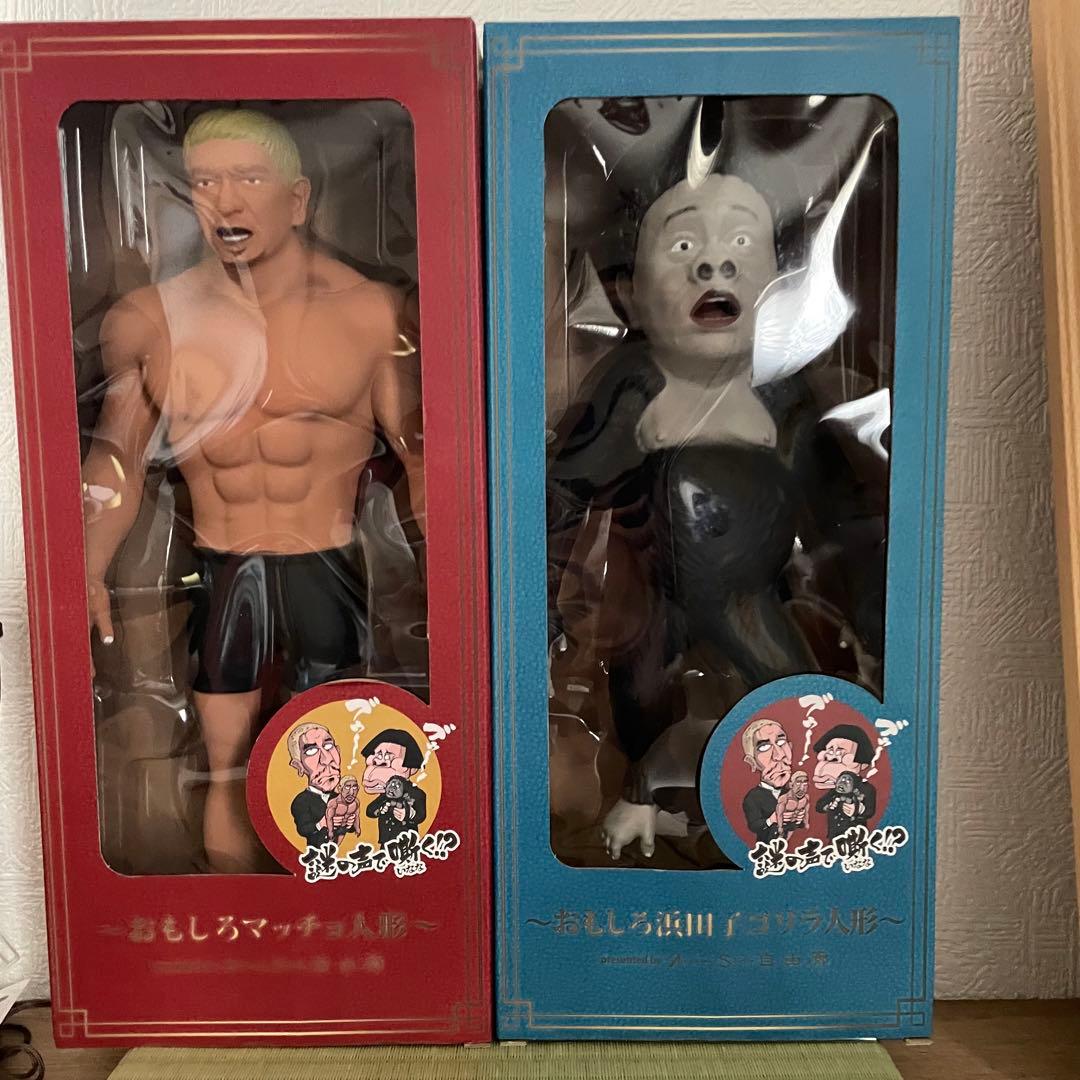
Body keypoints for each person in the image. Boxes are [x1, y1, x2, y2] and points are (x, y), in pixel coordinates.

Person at [81, 108, 425, 872]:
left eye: (248, 178)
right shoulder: (150, 321)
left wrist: (463, 577)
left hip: (329, 564)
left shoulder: (370, 312)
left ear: (297, 199)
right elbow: (116, 457)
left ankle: (329, 908)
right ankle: (234, 917)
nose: (226, 201)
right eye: (205, 182)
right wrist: (86, 564)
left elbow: (421, 454)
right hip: (223, 562)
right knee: (226, 760)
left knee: (336, 751)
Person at [738, 716, 794, 844]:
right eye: (764, 747)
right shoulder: (753, 797)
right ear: (752, 762)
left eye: (781, 742)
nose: (779, 755)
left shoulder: (792, 792)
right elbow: (754, 826)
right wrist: (771, 820)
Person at [287, 722, 342, 848]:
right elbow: (303, 829)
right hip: (315, 856)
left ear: (338, 751)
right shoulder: (301, 801)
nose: (327, 759)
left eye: (328, 746)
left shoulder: (339, 798)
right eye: (311, 751)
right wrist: (321, 824)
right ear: (299, 766)